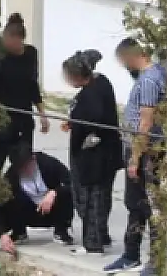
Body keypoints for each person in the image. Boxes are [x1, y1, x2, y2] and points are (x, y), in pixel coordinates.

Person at [105, 38, 167, 275]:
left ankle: (155, 261)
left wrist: (134, 158)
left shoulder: (150, 80)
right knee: (135, 205)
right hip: (139, 150)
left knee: (148, 206)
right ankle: (130, 254)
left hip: (145, 153)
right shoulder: (151, 76)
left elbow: (145, 123)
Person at [0, 13, 49, 221]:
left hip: (24, 120)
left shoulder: (31, 54)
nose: (10, 45)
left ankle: (17, 209)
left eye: (13, 42)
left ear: (20, 39)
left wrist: (42, 113)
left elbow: (32, 85)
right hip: (0, 121)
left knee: (23, 164)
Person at [62, 49, 121, 255]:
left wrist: (86, 134)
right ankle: (101, 236)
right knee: (101, 196)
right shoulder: (101, 82)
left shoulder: (92, 93)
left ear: (78, 75)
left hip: (94, 155)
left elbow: (94, 118)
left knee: (90, 198)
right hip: (106, 152)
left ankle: (93, 243)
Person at [0, 142, 74, 258]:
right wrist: (2, 234)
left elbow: (72, 182)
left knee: (66, 194)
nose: (26, 170)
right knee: (9, 199)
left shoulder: (48, 163)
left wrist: (54, 193)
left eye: (27, 165)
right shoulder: (12, 176)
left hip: (52, 209)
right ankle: (19, 232)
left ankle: (61, 230)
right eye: (21, 168)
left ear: (33, 158)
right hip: (29, 211)